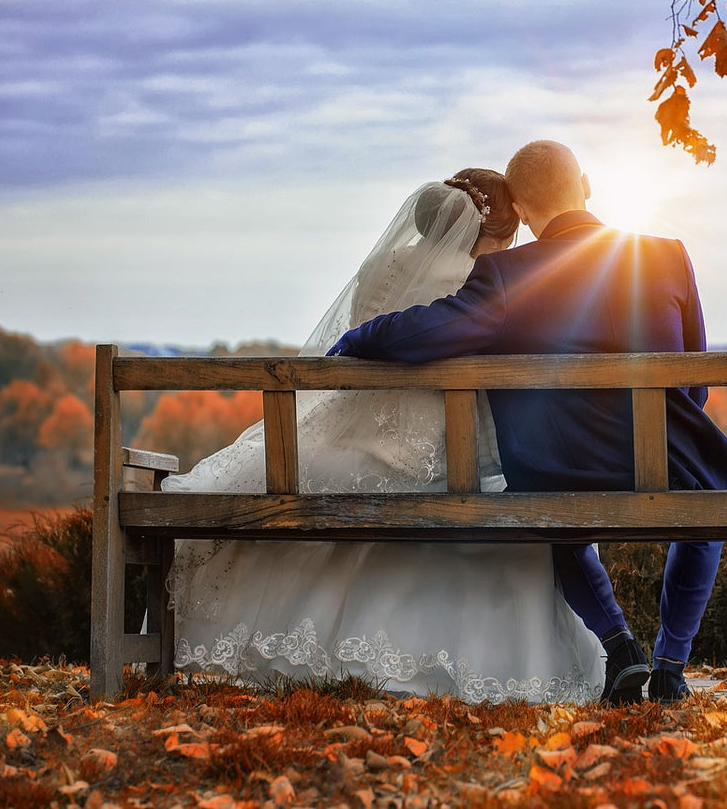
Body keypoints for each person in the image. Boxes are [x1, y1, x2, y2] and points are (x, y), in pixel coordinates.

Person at [328, 140, 727, 704]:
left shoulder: (505, 274)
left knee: (540, 499)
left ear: (521, 211)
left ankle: (619, 643)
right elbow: (694, 377)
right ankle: (671, 666)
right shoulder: (669, 255)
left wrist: (357, 337)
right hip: (672, 462)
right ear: (588, 186)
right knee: (706, 497)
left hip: (563, 469)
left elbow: (428, 331)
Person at [163, 169, 604, 704]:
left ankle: (285, 656)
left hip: (355, 428)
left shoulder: (379, 267)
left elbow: (372, 337)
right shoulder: (481, 275)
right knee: (509, 507)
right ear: (496, 226)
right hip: (439, 442)